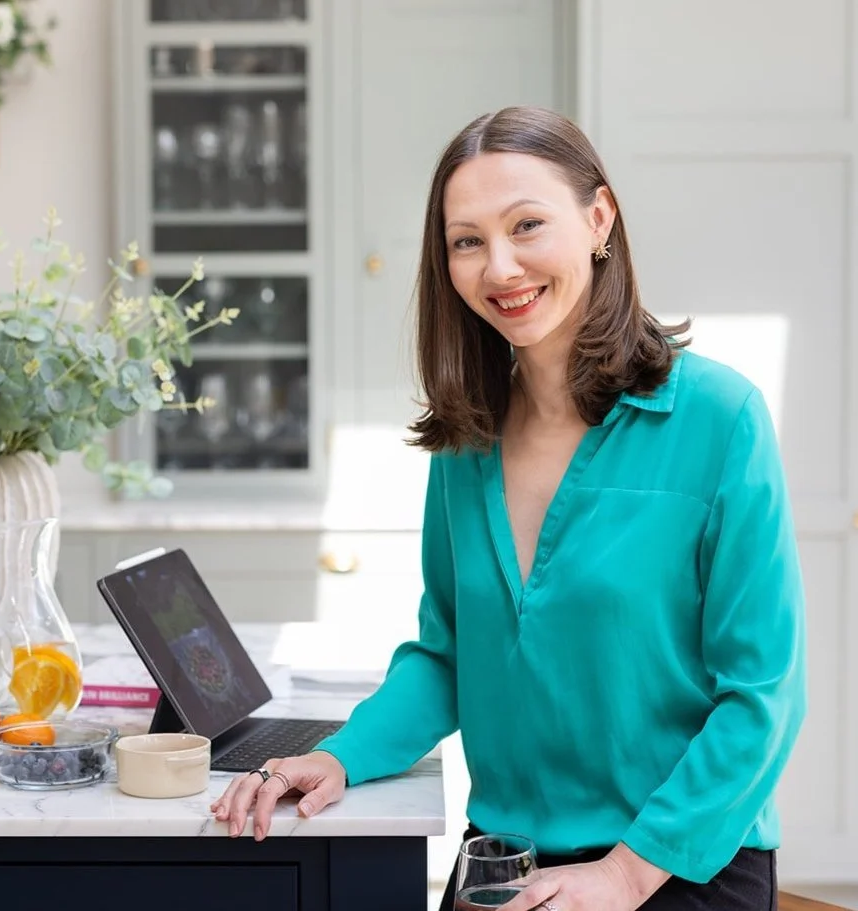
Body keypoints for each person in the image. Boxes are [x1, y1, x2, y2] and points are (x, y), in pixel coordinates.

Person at [211, 106, 806, 911]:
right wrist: (342, 754)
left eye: (527, 225)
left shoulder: (719, 419)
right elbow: (449, 653)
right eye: (466, 240)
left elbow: (762, 695)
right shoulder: (468, 434)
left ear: (598, 220)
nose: (500, 268)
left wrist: (626, 873)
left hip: (675, 865)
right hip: (503, 860)